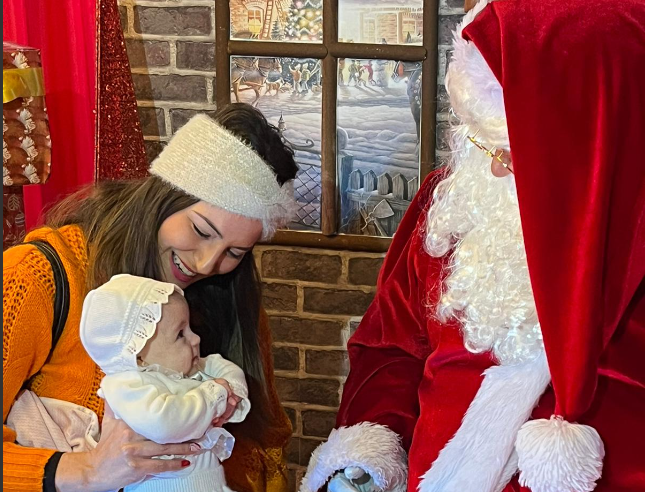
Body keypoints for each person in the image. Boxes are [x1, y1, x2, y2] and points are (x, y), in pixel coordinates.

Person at [302, 1, 645, 492]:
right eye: (483, 143)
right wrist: (369, 449)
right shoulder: (450, 199)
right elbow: (391, 347)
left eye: (516, 153)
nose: (495, 168)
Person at [3, 103, 298, 492]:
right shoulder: (39, 277)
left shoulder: (229, 298)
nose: (207, 263)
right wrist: (85, 470)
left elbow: (265, 442)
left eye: (235, 252)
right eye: (201, 230)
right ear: (165, 193)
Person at [8, 274, 250, 492]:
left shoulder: (186, 368)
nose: (195, 339)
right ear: (139, 355)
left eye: (190, 329)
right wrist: (215, 395)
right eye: (180, 334)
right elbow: (165, 423)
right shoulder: (127, 385)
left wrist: (233, 391)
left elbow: (222, 366)